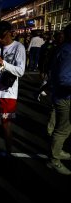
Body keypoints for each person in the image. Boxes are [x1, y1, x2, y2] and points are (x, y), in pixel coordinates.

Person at [0, 21, 26, 155]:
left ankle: (9, 152)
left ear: (9, 33)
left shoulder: (18, 47)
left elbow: (20, 71)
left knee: (5, 123)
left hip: (8, 93)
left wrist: (2, 62)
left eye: (0, 36)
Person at [46, 24, 71, 175]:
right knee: (63, 129)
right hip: (64, 95)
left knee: (60, 127)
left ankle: (57, 151)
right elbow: (63, 77)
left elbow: (54, 71)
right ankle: (54, 160)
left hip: (59, 93)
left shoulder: (63, 48)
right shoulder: (68, 50)